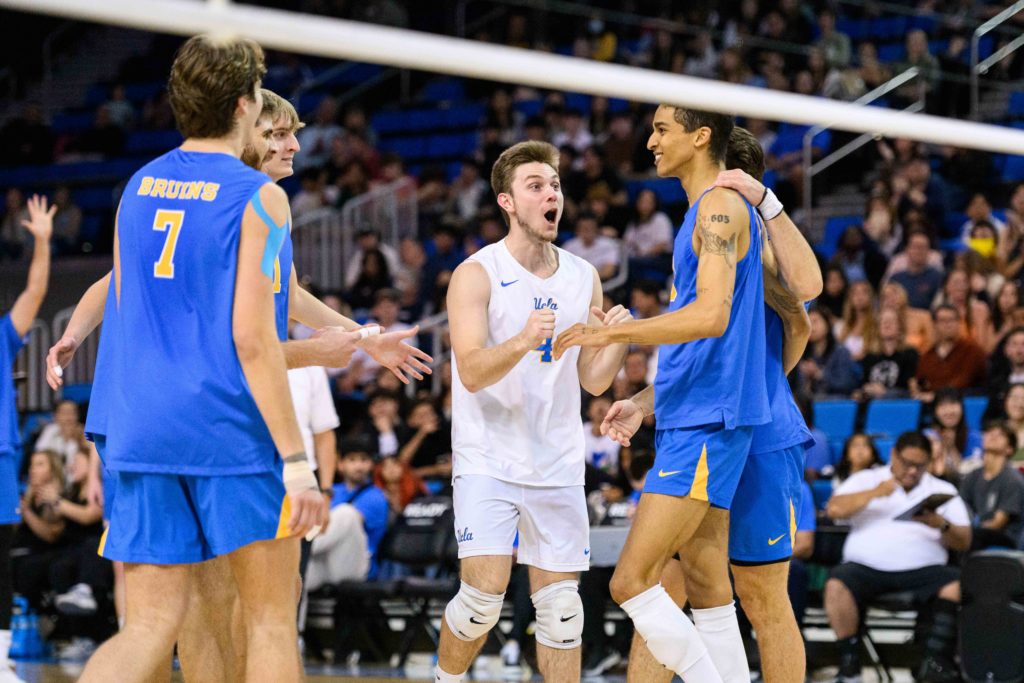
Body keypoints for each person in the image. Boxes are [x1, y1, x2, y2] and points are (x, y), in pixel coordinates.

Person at [71, 36, 328, 683]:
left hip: (139, 425)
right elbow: (251, 337)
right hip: (221, 426)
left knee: (150, 627)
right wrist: (298, 462)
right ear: (244, 105)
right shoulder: (258, 197)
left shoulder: (138, 184)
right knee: (270, 617)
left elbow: (124, 305)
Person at [552, 106, 770, 682]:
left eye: (661, 130)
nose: (649, 141)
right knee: (706, 588)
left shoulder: (720, 207)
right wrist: (649, 401)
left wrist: (614, 331)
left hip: (709, 421)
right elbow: (698, 341)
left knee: (630, 580)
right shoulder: (700, 212)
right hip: (695, 412)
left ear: (701, 138)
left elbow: (712, 316)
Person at [613, 127, 823, 683]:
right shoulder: (699, 233)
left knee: (761, 595)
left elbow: (800, 318)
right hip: (713, 418)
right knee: (670, 582)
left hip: (760, 429)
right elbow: (704, 358)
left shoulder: (743, 228)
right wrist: (643, 399)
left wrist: (760, 384)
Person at [435, 140, 630, 683]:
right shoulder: (476, 274)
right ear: (507, 202)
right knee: (480, 600)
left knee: (564, 614)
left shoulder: (583, 274)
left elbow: (594, 381)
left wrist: (619, 339)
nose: (552, 195)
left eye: (556, 185)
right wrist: (522, 340)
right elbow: (471, 371)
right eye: (536, 186)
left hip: (557, 461)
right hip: (488, 457)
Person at [824, 432, 971, 683]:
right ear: (894, 455)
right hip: (866, 569)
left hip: (923, 570)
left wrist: (941, 524)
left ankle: (934, 661)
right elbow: (834, 509)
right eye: (907, 463)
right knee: (837, 584)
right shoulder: (867, 478)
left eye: (920, 465)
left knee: (957, 583)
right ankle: (850, 664)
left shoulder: (941, 488)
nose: (912, 471)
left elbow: (965, 540)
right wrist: (875, 492)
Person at [0, 193, 52, 683]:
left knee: (0, 562)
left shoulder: (1, 335)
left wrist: (41, 242)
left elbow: (35, 293)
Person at [959, 422, 1024, 550]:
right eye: (989, 432)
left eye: (1000, 435)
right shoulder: (972, 476)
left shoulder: (1013, 479)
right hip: (978, 531)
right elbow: (961, 509)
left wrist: (967, 531)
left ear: (1009, 449)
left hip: (1005, 537)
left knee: (971, 536)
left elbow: (998, 523)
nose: (993, 436)